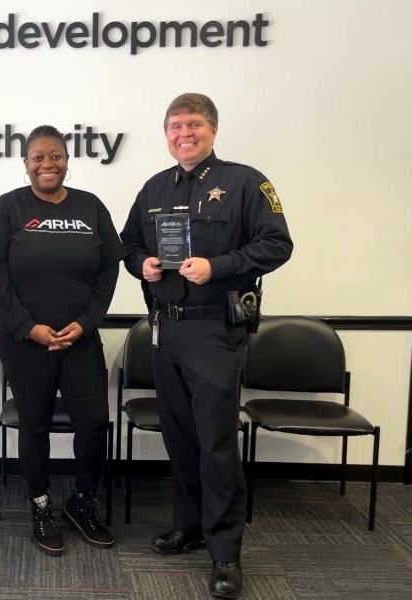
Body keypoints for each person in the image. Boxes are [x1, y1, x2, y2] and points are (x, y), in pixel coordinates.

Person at [120, 93, 293, 599]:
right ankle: (190, 526)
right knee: (180, 438)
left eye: (193, 124)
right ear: (166, 134)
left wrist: (218, 266)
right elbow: (128, 244)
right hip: (166, 329)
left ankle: (225, 552)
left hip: (215, 331)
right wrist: (141, 264)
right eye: (175, 126)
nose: (184, 134)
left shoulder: (245, 182)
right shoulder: (154, 187)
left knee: (216, 444)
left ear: (213, 130)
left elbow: (277, 244)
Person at [0, 125, 126, 556]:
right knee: (35, 425)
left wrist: (87, 322)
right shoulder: (7, 207)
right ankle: (41, 506)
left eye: (56, 156)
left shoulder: (90, 206)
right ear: (26, 163)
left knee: (93, 422)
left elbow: (109, 268)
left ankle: (82, 502)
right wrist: (28, 327)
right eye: (38, 158)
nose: (48, 164)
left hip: (80, 339)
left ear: (67, 160)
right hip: (25, 342)